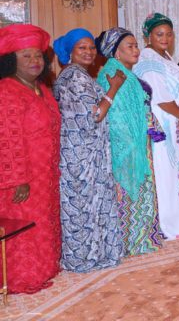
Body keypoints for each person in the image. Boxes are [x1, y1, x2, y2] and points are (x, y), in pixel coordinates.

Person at [53, 28, 124, 272]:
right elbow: (95, 114)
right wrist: (113, 88)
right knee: (83, 207)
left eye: (91, 47)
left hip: (84, 153)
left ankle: (94, 255)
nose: (89, 52)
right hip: (81, 157)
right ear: (70, 52)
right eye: (81, 48)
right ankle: (84, 259)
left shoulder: (75, 75)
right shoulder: (75, 78)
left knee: (89, 205)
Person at [0, 24, 61, 293]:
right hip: (22, 175)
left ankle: (45, 267)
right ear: (12, 59)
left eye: (38, 55)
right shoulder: (7, 91)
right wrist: (17, 179)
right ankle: (20, 276)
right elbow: (6, 140)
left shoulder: (42, 89)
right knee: (24, 225)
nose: (35, 61)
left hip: (45, 171)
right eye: (26, 56)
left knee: (42, 220)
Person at [97, 28, 164, 256]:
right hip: (124, 148)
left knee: (142, 192)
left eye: (136, 46)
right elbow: (113, 118)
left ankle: (141, 238)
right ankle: (128, 242)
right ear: (115, 52)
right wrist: (131, 146)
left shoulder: (128, 75)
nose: (136, 50)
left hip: (138, 144)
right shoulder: (111, 75)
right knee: (126, 192)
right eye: (130, 46)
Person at [133, 13, 179, 240]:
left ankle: (175, 221)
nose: (165, 38)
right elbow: (160, 96)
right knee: (164, 171)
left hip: (171, 122)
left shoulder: (163, 57)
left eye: (169, 34)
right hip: (161, 122)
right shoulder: (148, 60)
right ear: (147, 36)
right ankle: (166, 224)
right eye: (159, 34)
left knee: (173, 172)